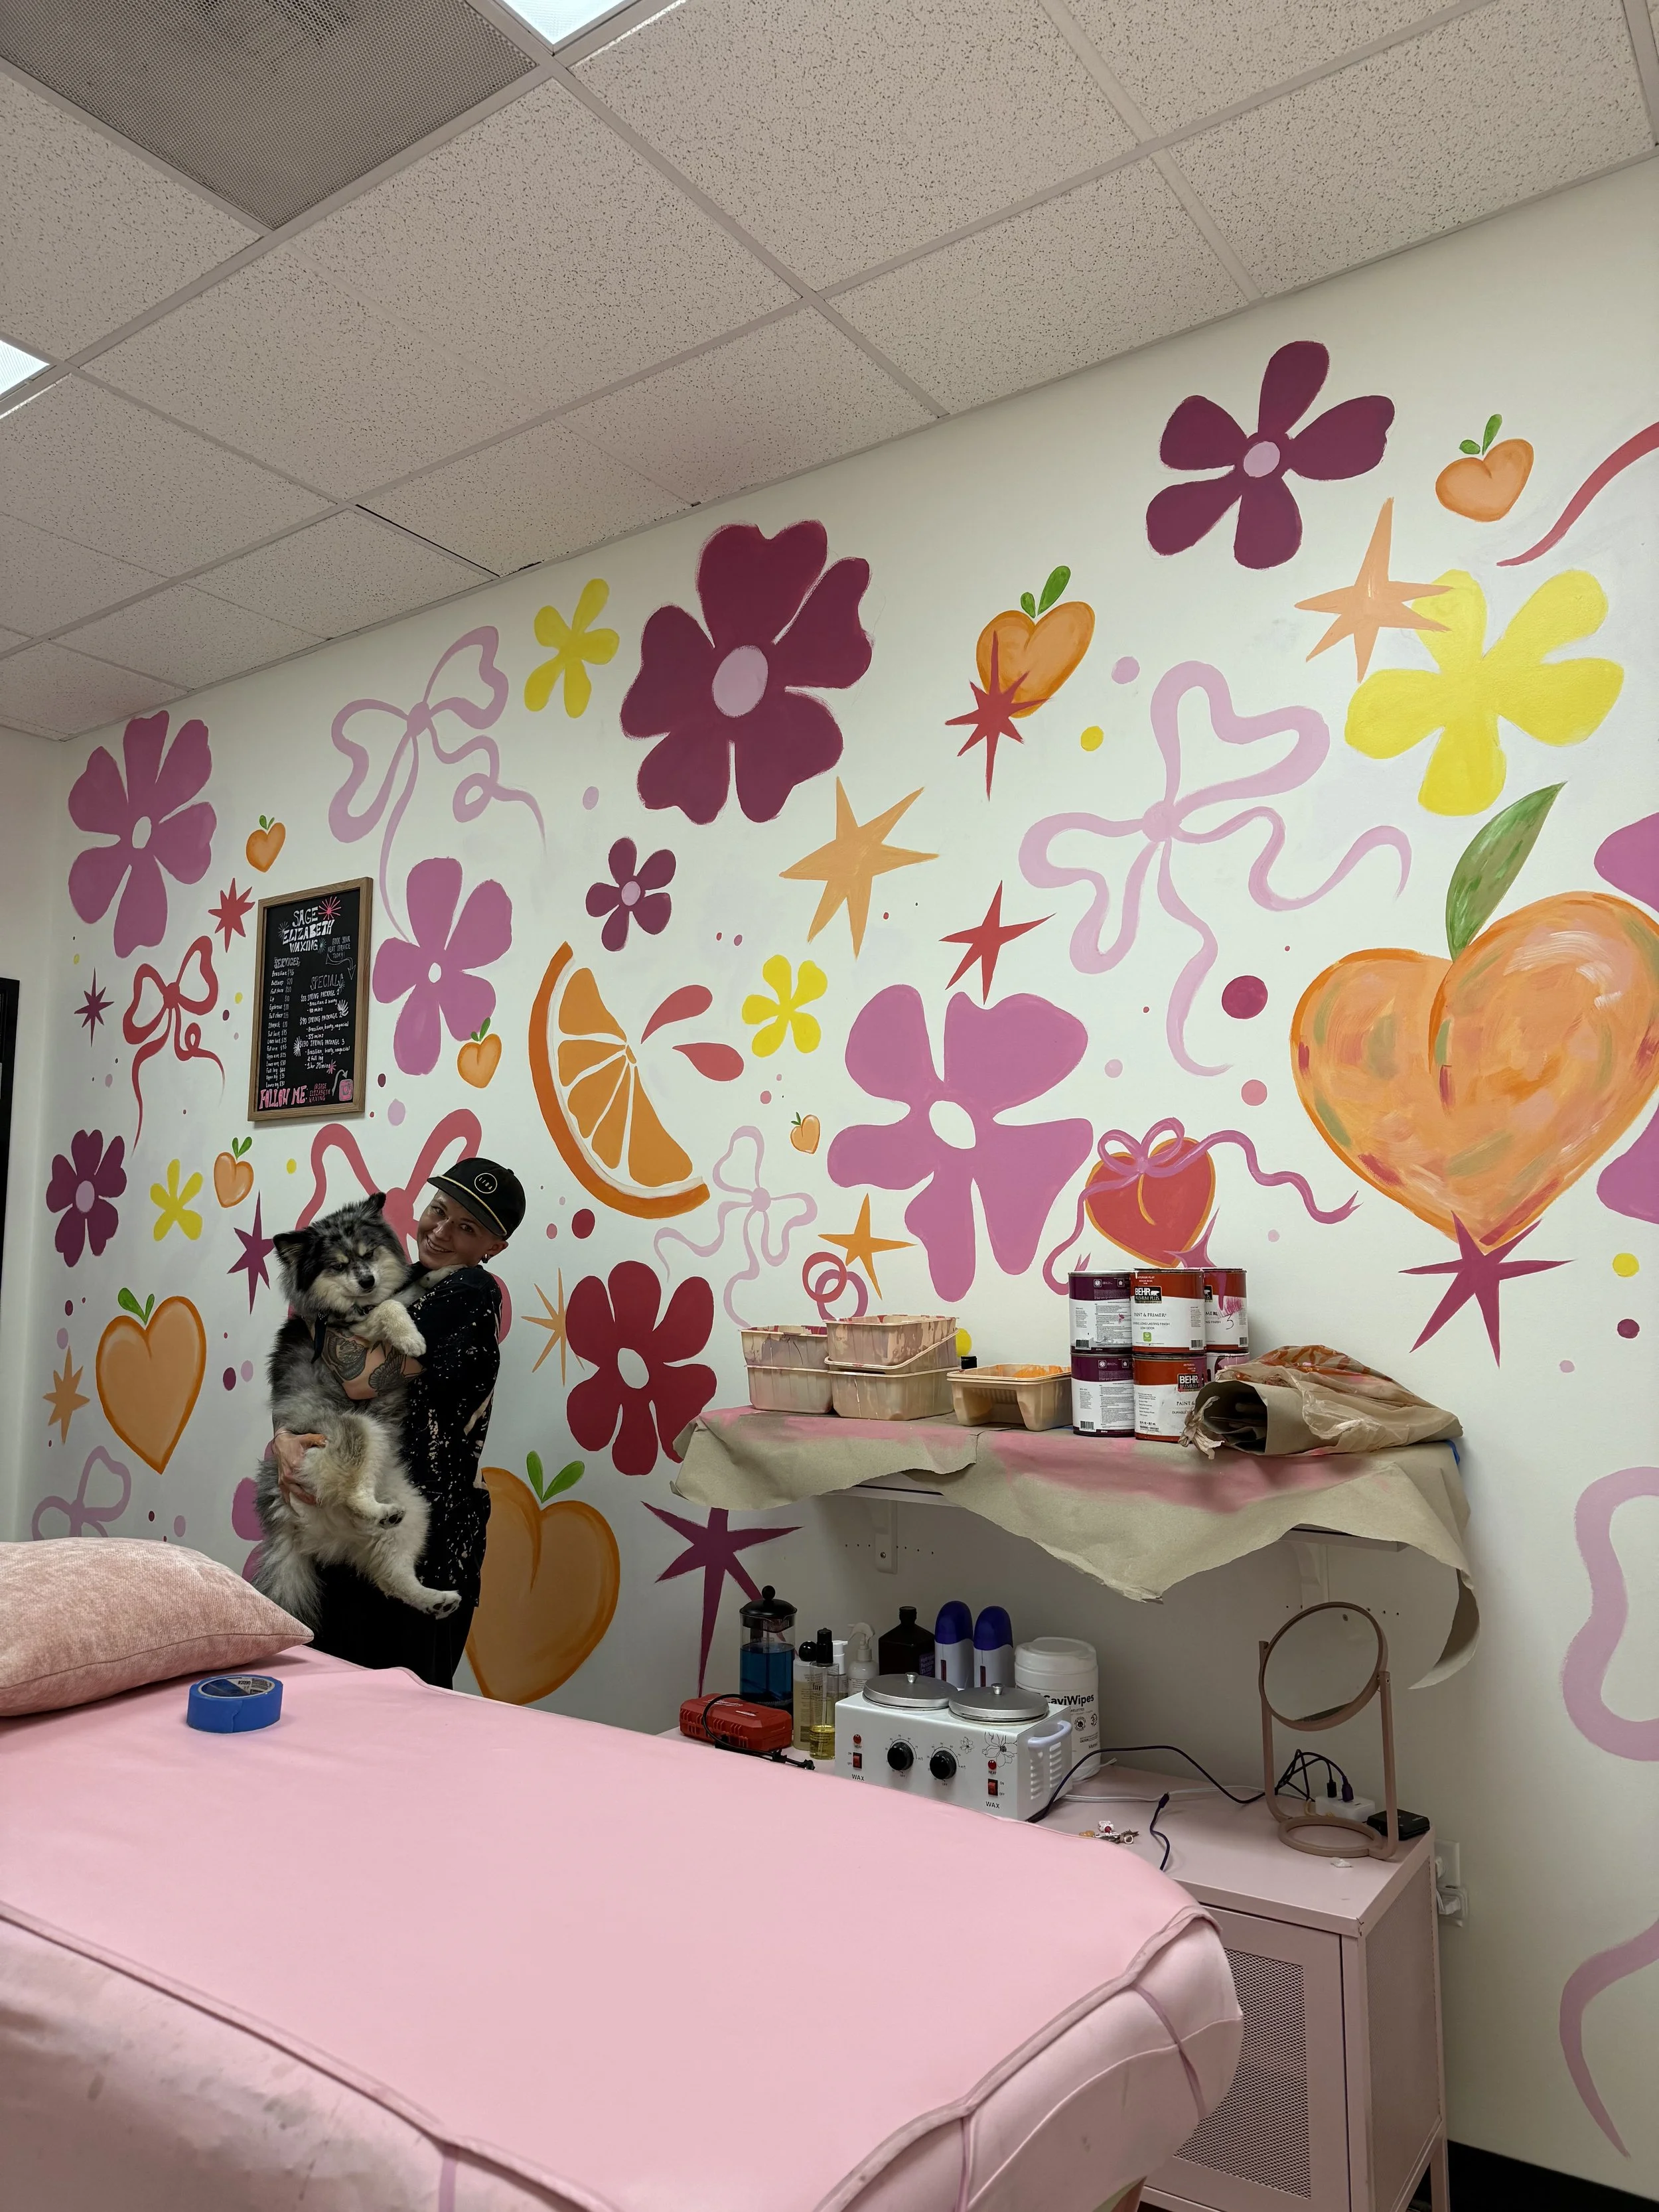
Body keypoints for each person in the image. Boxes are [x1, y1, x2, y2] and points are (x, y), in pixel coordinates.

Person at [270, 1158, 524, 1688]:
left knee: (404, 1715)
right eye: (439, 1211)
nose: (441, 1229)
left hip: (422, 1533)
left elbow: (362, 1378)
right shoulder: (400, 1281)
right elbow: (307, 1384)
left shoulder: (469, 1292)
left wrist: (319, 1312)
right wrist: (284, 1442)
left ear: (493, 1247)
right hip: (345, 1516)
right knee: (333, 1700)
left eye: (467, 1227)